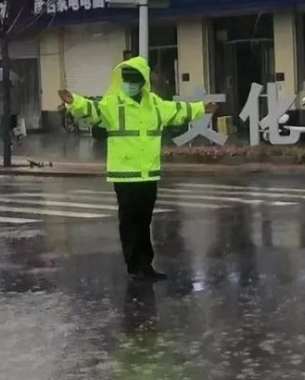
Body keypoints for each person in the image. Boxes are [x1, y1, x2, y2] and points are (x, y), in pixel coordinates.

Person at [58, 56, 215, 281]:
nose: (128, 84)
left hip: (148, 173)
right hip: (124, 174)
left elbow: (178, 110)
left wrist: (201, 108)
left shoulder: (154, 104)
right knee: (130, 221)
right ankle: (134, 265)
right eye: (126, 80)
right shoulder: (113, 103)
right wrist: (73, 101)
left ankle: (145, 265)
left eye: (133, 80)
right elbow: (93, 110)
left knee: (144, 220)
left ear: (143, 83)